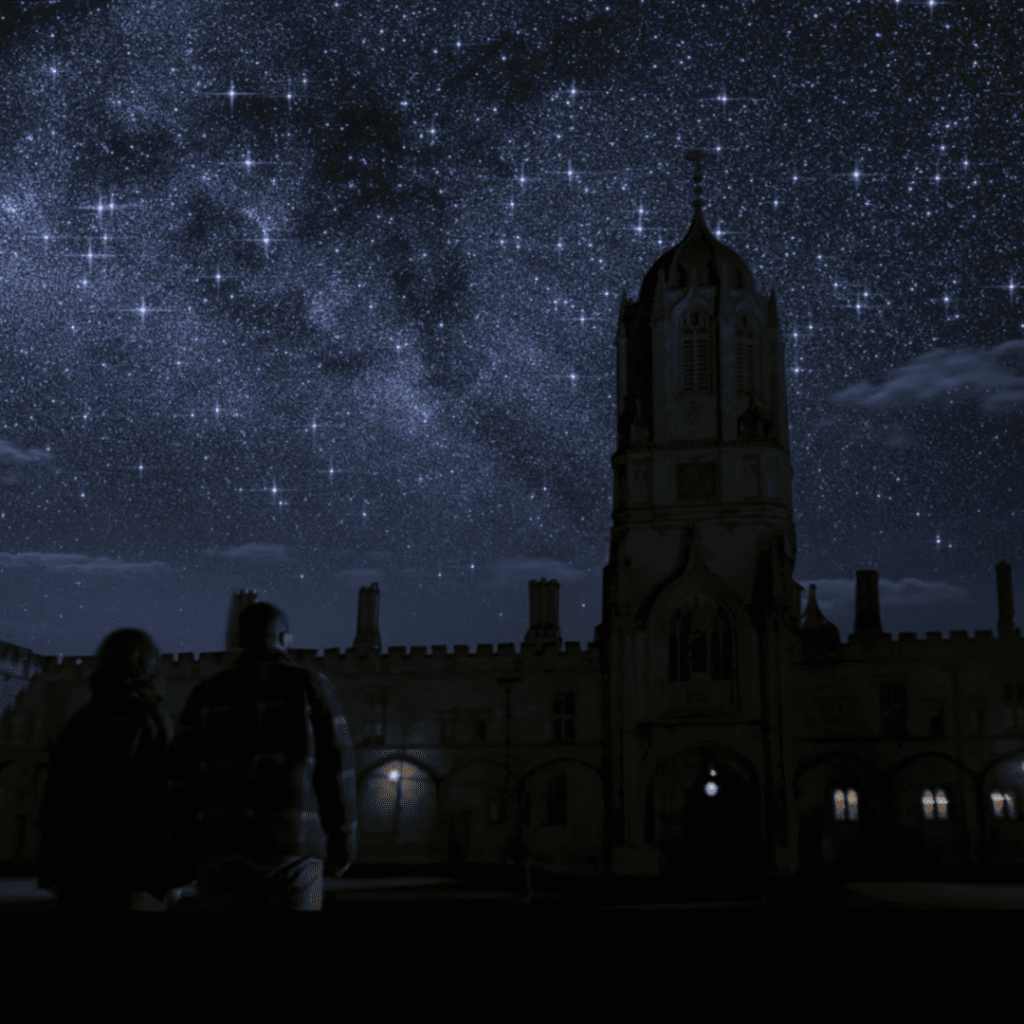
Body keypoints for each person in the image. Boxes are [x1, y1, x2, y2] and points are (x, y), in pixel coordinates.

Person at [165, 602, 357, 911]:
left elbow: (180, 780)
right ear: (283, 638)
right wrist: (343, 847)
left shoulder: (205, 692)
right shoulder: (312, 686)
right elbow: (338, 771)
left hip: (220, 849)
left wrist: (180, 857)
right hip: (290, 848)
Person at [37, 628, 187, 912]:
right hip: (133, 874)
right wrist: (175, 875)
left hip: (79, 872)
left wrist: (52, 871)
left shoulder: (78, 720)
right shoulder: (151, 717)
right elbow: (168, 799)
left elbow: (55, 801)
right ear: (148, 664)